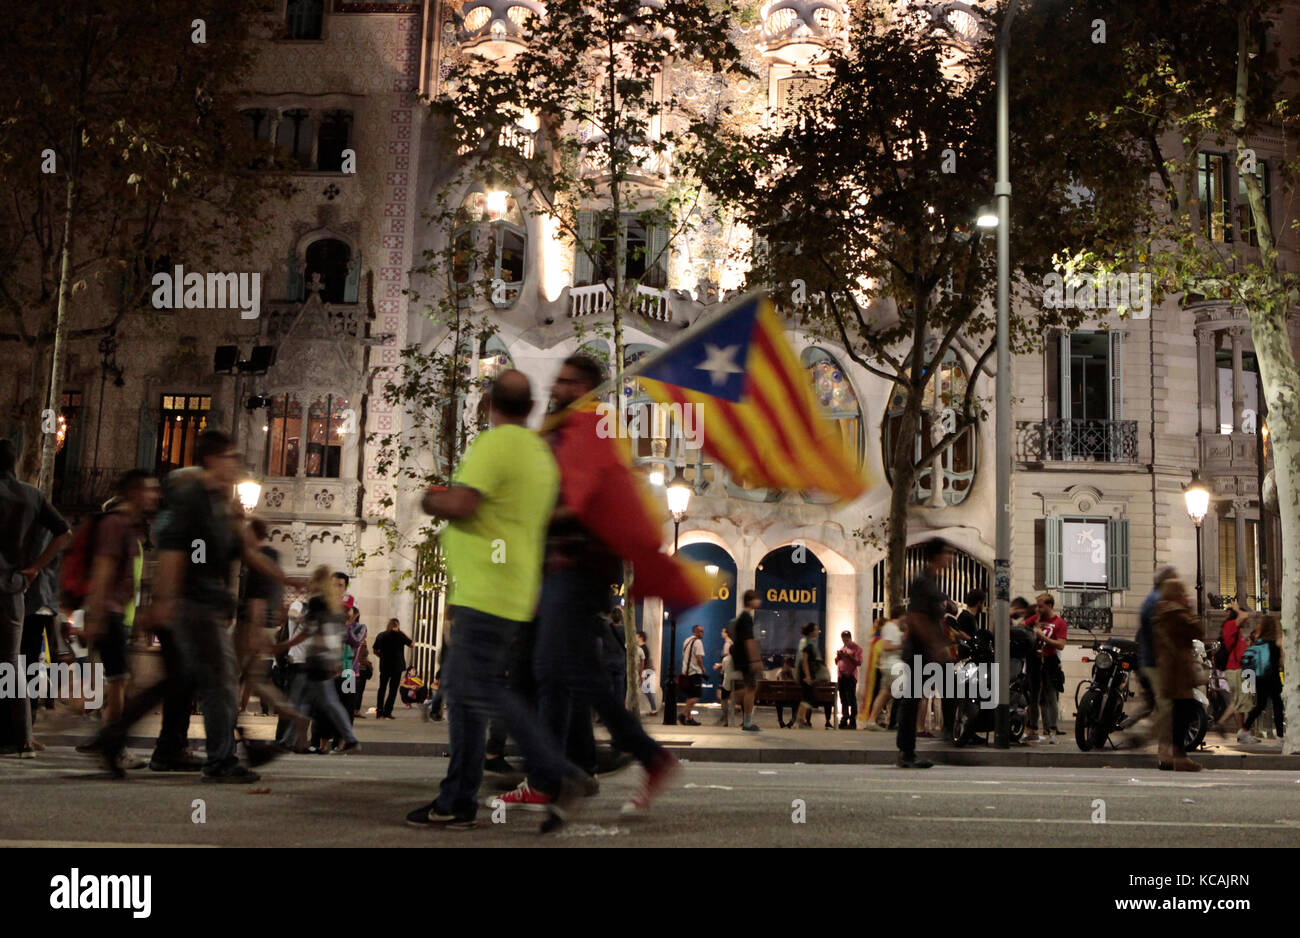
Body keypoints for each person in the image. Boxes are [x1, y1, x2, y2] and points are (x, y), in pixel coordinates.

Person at [407, 369, 588, 832]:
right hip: (514, 590)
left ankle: (559, 773)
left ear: (489, 406)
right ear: (530, 408)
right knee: (467, 695)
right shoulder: (539, 455)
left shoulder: (494, 446)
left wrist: (430, 499)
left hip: (485, 591)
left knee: (478, 688)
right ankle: (456, 800)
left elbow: (463, 504)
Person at [504, 355, 679, 818]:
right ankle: (625, 762)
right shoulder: (566, 429)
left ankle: (560, 775)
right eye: (557, 380)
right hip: (562, 569)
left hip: (577, 568)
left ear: (586, 387)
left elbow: (577, 504)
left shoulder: (590, 429)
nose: (557, 387)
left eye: (568, 381)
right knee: (565, 672)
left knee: (554, 669)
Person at [82, 470, 160, 769]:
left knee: (119, 681)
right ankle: (114, 747)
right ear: (135, 492)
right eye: (150, 489)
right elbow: (104, 569)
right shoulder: (116, 525)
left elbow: (134, 580)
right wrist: (96, 615)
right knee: (120, 682)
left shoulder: (130, 530)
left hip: (117, 613)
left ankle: (108, 740)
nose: (155, 495)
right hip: (111, 613)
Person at [0, 438, 73, 758]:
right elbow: (64, 533)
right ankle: (23, 736)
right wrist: (33, 569)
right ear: (15, 463)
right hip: (12, 586)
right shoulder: (31, 495)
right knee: (12, 664)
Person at [275, 566, 359, 754]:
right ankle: (288, 740)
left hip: (315, 659)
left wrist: (283, 645)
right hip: (324, 659)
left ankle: (349, 738)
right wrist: (336, 658)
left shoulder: (317, 602)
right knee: (305, 702)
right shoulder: (333, 604)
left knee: (312, 702)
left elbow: (308, 631)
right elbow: (339, 635)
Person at [897, 537, 954, 768]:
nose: (951, 559)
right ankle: (907, 752)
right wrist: (935, 646)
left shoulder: (932, 581)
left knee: (944, 688)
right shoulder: (923, 582)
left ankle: (948, 733)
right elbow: (916, 617)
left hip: (926, 649)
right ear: (937, 556)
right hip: (920, 650)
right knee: (912, 699)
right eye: (947, 554)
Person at [1126, 567, 1178, 756]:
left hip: (1149, 660)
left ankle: (1164, 751)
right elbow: (1162, 634)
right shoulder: (1157, 602)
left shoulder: (1153, 600)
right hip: (1156, 662)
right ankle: (1139, 733)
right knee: (1167, 707)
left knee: (1155, 706)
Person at [1153, 577, 1203, 771]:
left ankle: (1175, 755)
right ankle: (1179, 756)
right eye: (1182, 592)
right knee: (1186, 708)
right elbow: (1198, 629)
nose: (1185, 595)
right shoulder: (1177, 613)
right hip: (1179, 668)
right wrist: (1189, 608)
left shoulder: (1162, 612)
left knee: (1179, 710)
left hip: (1168, 667)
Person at [1023, 593, 1068, 744]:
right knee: (1033, 696)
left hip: (1049, 660)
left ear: (1049, 606)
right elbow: (1021, 627)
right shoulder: (1036, 619)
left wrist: (1043, 637)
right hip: (1034, 660)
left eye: (1041, 606)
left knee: (1050, 696)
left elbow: (1061, 644)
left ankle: (1052, 729)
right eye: (1037, 606)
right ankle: (1032, 728)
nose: (1038, 609)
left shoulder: (1059, 623)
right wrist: (1033, 628)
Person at [1239, 615, 1284, 743]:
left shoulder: (1258, 642)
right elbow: (1280, 662)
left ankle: (1244, 730)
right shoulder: (1274, 643)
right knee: (1277, 705)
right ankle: (1280, 736)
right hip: (1272, 678)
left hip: (1259, 678)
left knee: (1260, 705)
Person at [730, 590, 763, 732]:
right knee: (751, 688)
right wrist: (755, 660)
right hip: (747, 659)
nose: (759, 601)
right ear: (750, 601)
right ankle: (748, 723)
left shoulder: (742, 617)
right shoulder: (746, 618)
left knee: (750, 688)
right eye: (756, 599)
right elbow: (749, 641)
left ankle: (747, 720)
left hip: (742, 658)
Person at [372, 618, 411, 719]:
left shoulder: (381, 635)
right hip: (397, 667)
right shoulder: (400, 635)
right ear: (397, 625)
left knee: (382, 688)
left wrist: (381, 656)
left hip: (385, 666)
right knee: (393, 690)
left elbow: (375, 650)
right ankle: (387, 711)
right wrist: (403, 633)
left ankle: (379, 712)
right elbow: (412, 644)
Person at [794, 622, 823, 729]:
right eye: (815, 630)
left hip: (807, 672)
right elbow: (804, 661)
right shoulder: (807, 644)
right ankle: (799, 721)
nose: (817, 632)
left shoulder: (809, 643)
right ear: (811, 632)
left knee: (808, 697)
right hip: (806, 673)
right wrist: (808, 676)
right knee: (807, 697)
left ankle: (800, 720)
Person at [835, 628, 863, 730]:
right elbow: (838, 662)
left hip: (851, 676)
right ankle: (844, 719)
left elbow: (859, 662)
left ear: (850, 638)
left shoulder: (857, 648)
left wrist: (849, 656)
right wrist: (838, 657)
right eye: (843, 639)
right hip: (842, 677)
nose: (845, 641)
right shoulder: (842, 648)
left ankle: (852, 721)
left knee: (852, 698)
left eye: (847, 639)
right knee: (843, 699)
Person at [679, 624, 706, 726]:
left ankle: (689, 718)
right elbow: (699, 658)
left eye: (702, 631)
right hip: (694, 672)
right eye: (700, 631)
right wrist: (703, 669)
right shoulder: (698, 642)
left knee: (690, 696)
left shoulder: (687, 641)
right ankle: (683, 714)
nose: (702, 633)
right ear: (695, 631)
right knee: (696, 696)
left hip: (685, 672)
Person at [714, 625, 735, 726]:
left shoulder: (727, 644)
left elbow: (727, 660)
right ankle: (726, 715)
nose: (721, 633)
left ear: (727, 633)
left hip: (726, 675)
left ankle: (725, 716)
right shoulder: (731, 643)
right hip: (732, 675)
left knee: (723, 696)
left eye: (723, 632)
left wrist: (719, 665)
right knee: (726, 696)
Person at [636, 630, 658, 715]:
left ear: (640, 637)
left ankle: (653, 709)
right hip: (645, 671)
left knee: (645, 689)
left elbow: (643, 662)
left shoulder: (643, 648)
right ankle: (653, 708)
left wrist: (642, 674)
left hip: (644, 671)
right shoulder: (643, 647)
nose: (635, 637)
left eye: (637, 635)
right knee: (646, 690)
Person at [774, 656, 798, 728]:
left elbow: (777, 682)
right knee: (796, 701)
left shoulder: (780, 671)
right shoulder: (795, 672)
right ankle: (793, 720)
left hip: (782, 698)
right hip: (793, 698)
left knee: (778, 701)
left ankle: (780, 720)